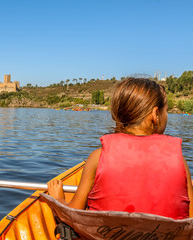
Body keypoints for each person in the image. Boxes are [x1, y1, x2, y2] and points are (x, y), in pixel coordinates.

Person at [48, 78, 193, 219]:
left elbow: (72, 214)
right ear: (155, 114)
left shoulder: (97, 157)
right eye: (166, 111)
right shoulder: (179, 161)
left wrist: (58, 199)